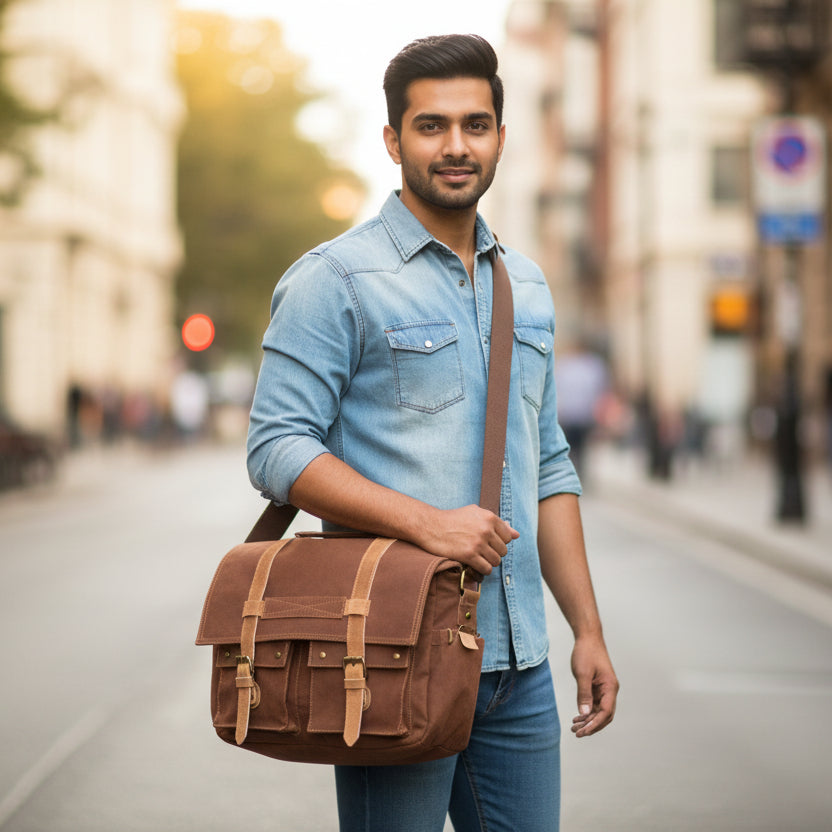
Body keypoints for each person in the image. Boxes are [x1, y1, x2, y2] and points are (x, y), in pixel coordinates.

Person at [247, 34, 618, 832]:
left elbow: (550, 466)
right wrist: (428, 524)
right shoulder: (334, 279)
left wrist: (586, 630)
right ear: (393, 140)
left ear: (501, 138)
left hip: (519, 666)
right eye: (431, 126)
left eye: (475, 125)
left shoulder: (527, 284)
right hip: (390, 652)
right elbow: (277, 447)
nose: (456, 146)